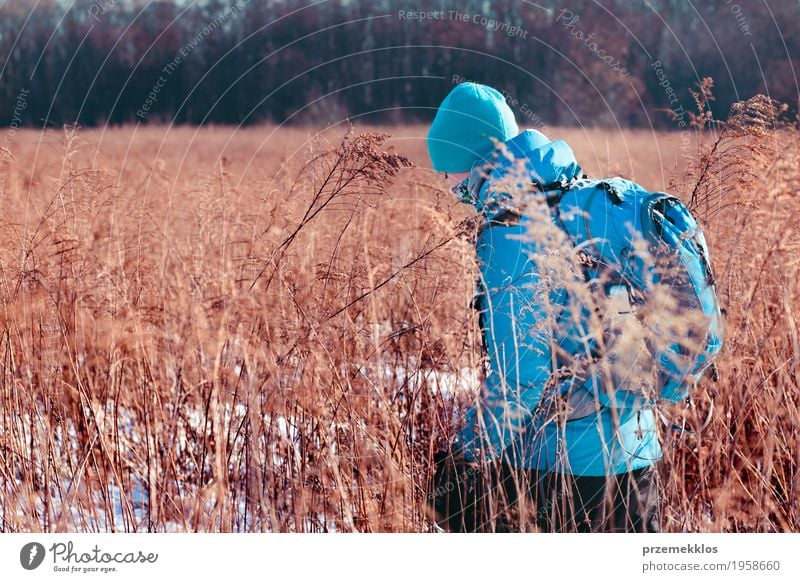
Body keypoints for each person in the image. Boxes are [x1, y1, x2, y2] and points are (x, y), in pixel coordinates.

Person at [426, 82, 669, 533]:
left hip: (563, 470)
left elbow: (522, 375)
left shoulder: (511, 231)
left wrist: (467, 456)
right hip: (637, 452)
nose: (446, 183)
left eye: (449, 171)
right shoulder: (587, 201)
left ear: (474, 161)